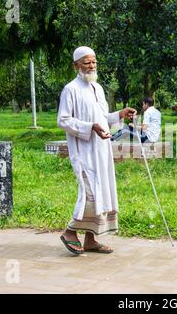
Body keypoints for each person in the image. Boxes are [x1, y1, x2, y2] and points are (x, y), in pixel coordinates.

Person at [57, 46, 136, 255]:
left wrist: (120, 113)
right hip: (83, 151)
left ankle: (90, 240)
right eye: (86, 63)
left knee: (101, 191)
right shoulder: (70, 90)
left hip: (101, 150)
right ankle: (69, 232)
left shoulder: (98, 88)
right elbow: (63, 120)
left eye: (94, 62)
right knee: (90, 193)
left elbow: (102, 118)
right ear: (76, 65)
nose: (91, 66)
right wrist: (89, 127)